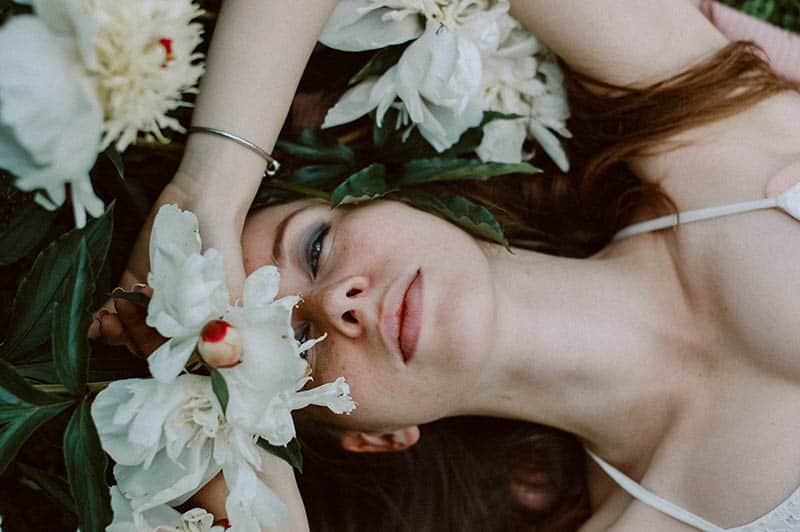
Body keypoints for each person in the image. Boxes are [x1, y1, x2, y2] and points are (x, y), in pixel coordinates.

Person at [95, 1, 800, 531]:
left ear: (403, 203)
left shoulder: (708, 129)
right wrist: (238, 466)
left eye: (315, 249)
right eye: (295, 348)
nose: (342, 300)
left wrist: (207, 187)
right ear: (373, 438)